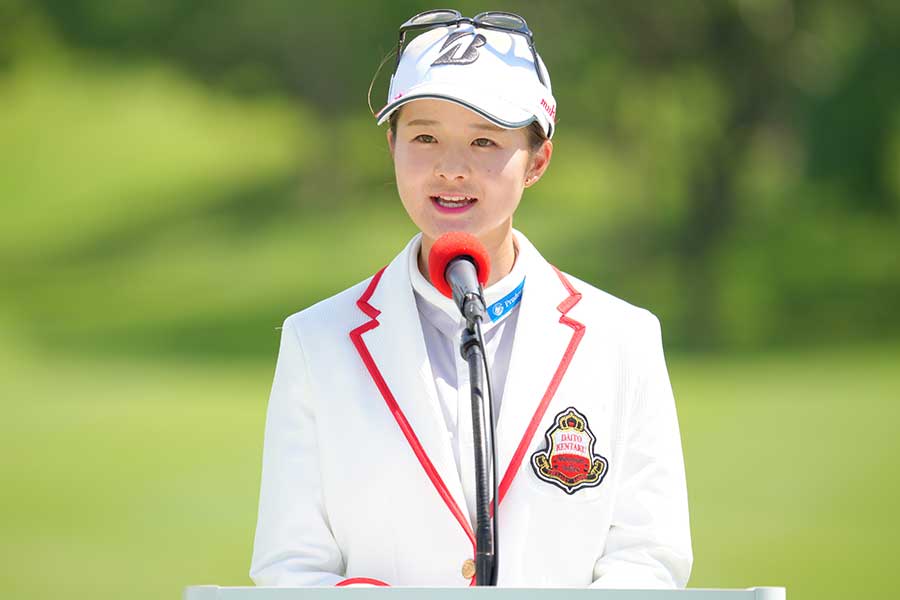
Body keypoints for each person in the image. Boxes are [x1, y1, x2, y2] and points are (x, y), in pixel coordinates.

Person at [250, 9, 692, 588]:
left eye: (485, 140)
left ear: (537, 159)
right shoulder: (317, 340)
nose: (451, 168)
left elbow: (647, 560)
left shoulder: (624, 339)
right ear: (392, 145)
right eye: (425, 136)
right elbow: (292, 566)